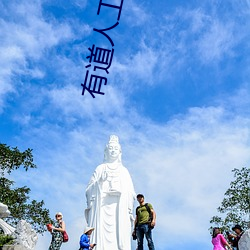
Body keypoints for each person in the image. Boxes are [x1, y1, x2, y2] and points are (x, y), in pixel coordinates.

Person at [85, 135, 136, 250]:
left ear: (120, 152)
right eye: (111, 148)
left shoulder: (124, 171)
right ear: (106, 151)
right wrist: (100, 181)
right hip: (101, 208)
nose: (113, 151)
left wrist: (122, 192)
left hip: (119, 209)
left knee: (119, 237)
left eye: (115, 149)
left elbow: (131, 193)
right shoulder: (100, 169)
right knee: (100, 237)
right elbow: (88, 190)